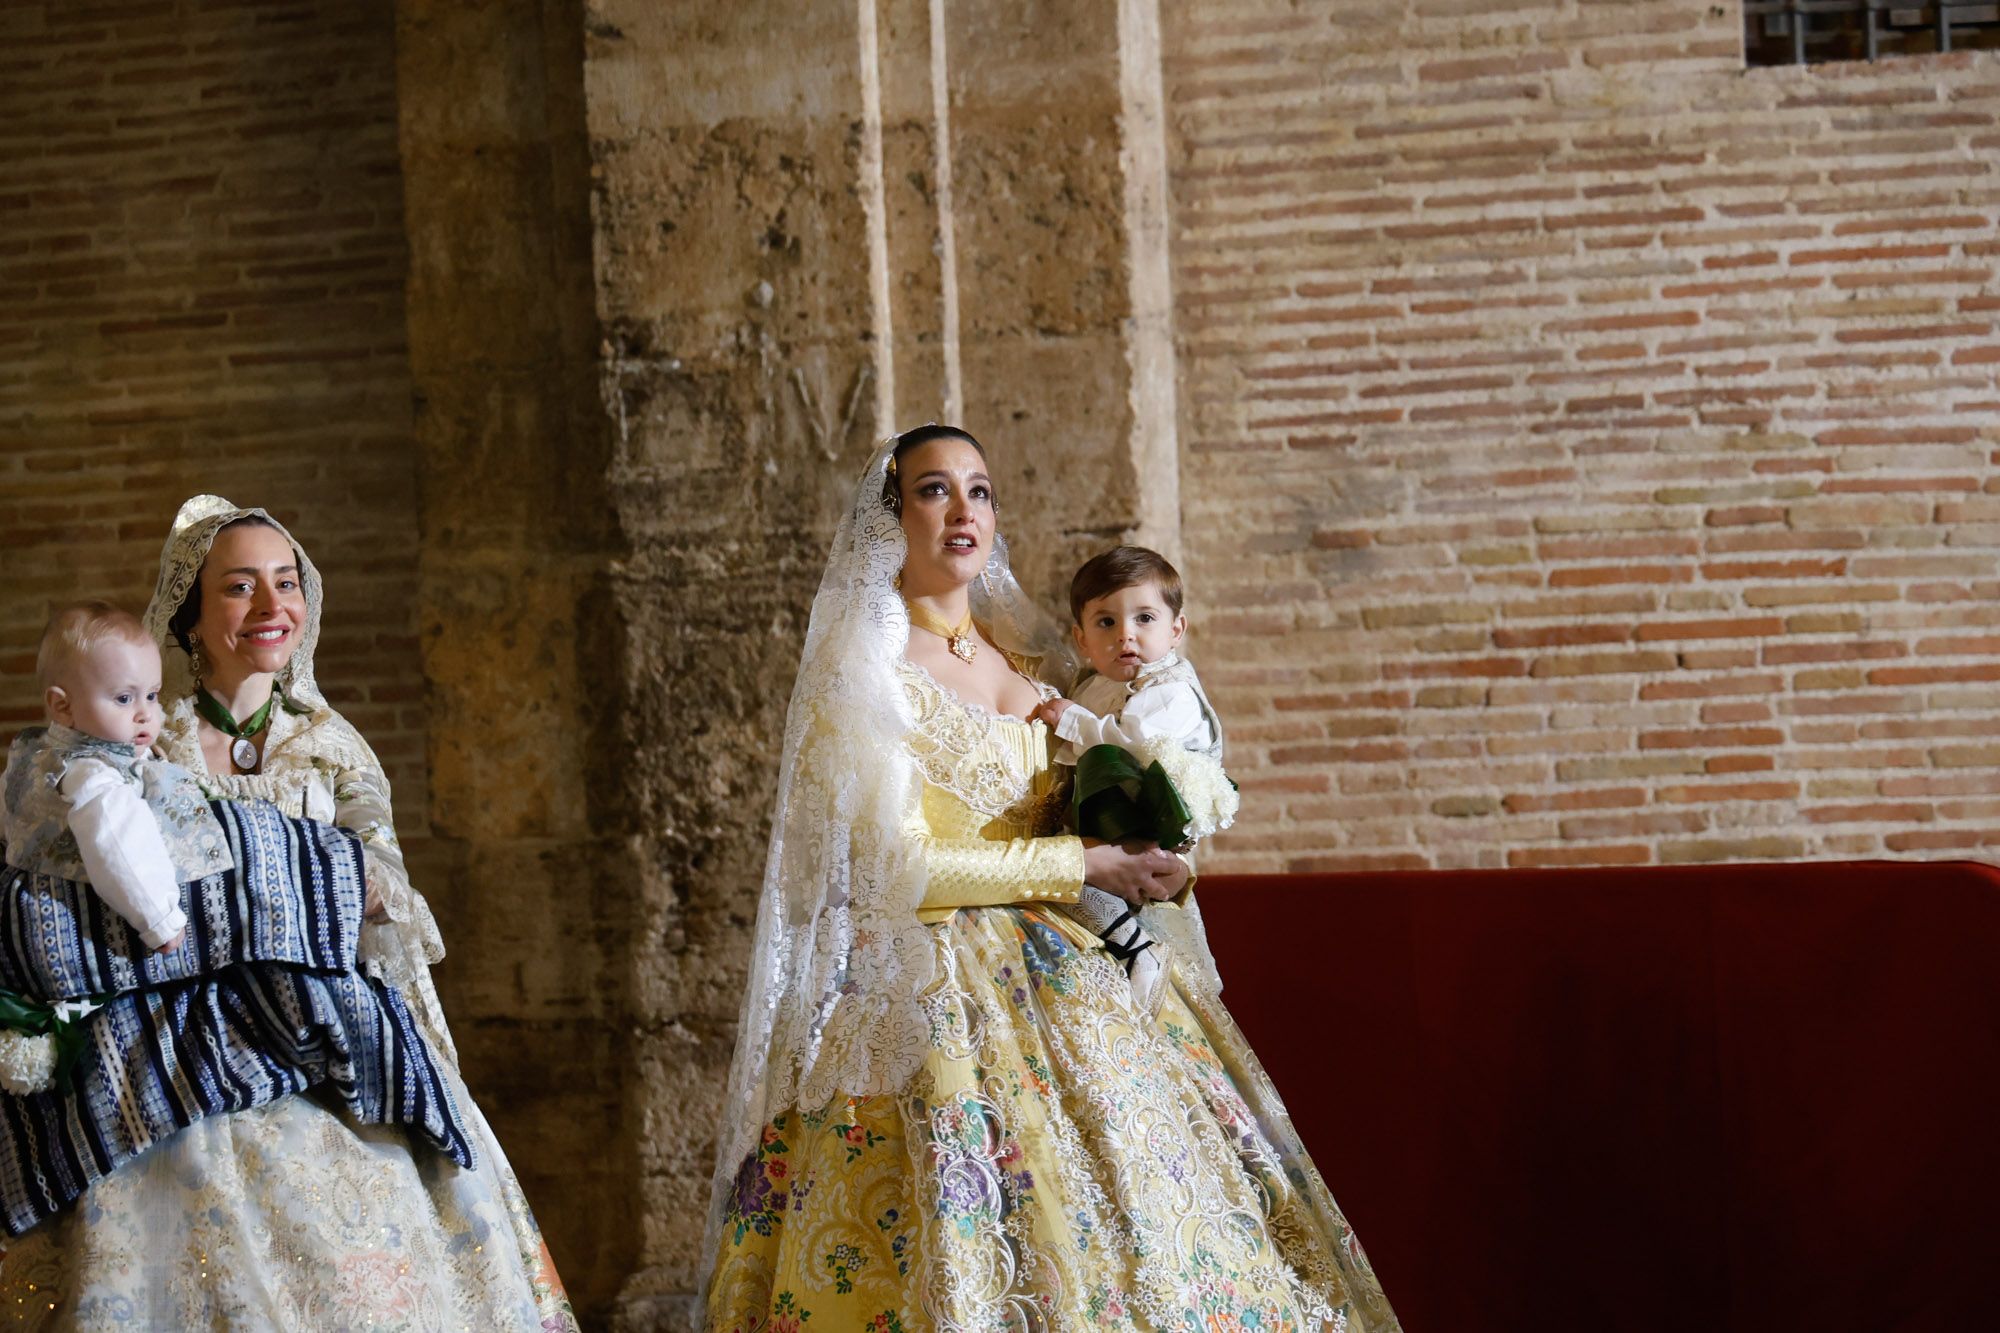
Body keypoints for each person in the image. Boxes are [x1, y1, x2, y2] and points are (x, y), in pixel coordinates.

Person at [701, 427, 1397, 1330]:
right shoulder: (863, 673)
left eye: (980, 491)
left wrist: (1151, 843)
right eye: (933, 490)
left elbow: (1098, 797)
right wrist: (1084, 862)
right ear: (889, 517)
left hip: (1071, 971)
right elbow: (896, 869)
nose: (963, 511)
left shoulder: (1029, 659)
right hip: (935, 983)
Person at [0, 496, 576, 1331]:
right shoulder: (143, 734)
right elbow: (78, 861)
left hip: (316, 1018)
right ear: (191, 614)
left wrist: (286, 879)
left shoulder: (333, 744)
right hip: (164, 1027)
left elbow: (383, 889)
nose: (272, 608)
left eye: (287, 582)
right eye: (240, 586)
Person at [1032, 545, 1231, 1018]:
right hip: (1103, 826)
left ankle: (1141, 949)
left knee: (1074, 877)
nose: (1126, 635)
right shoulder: (1094, 684)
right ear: (1081, 639)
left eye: (1145, 618)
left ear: (1176, 629)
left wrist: (1074, 722)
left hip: (1142, 832)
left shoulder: (1169, 691)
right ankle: (1130, 947)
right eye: (1106, 623)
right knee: (1066, 879)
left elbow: (1133, 745)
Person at [3, 602, 211, 953]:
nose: (145, 713)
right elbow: (119, 845)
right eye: (124, 698)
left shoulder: (37, 752)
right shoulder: (95, 775)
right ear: (63, 706)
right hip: (96, 910)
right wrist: (160, 919)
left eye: (151, 695)